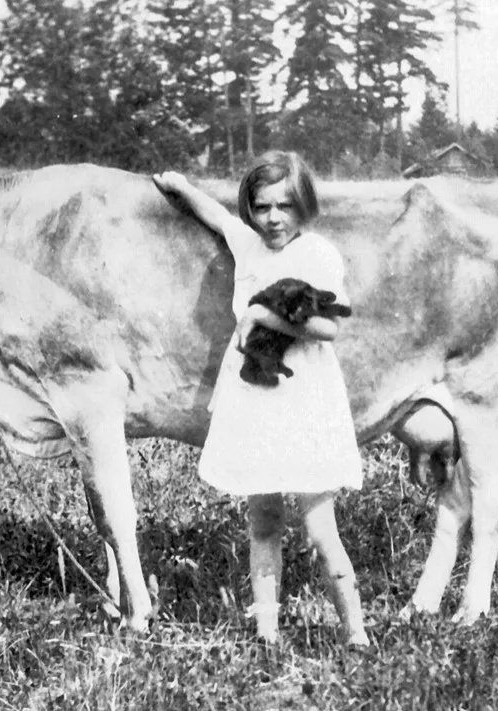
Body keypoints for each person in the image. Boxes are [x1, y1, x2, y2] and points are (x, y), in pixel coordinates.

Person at [152, 151, 368, 645]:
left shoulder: (316, 254)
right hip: (256, 400)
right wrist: (181, 188)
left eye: (285, 207)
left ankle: (356, 633)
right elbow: (218, 217)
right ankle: (267, 632)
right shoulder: (249, 246)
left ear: (303, 206)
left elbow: (329, 326)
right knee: (264, 521)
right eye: (262, 206)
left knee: (320, 526)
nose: (273, 219)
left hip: (304, 399)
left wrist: (261, 318)